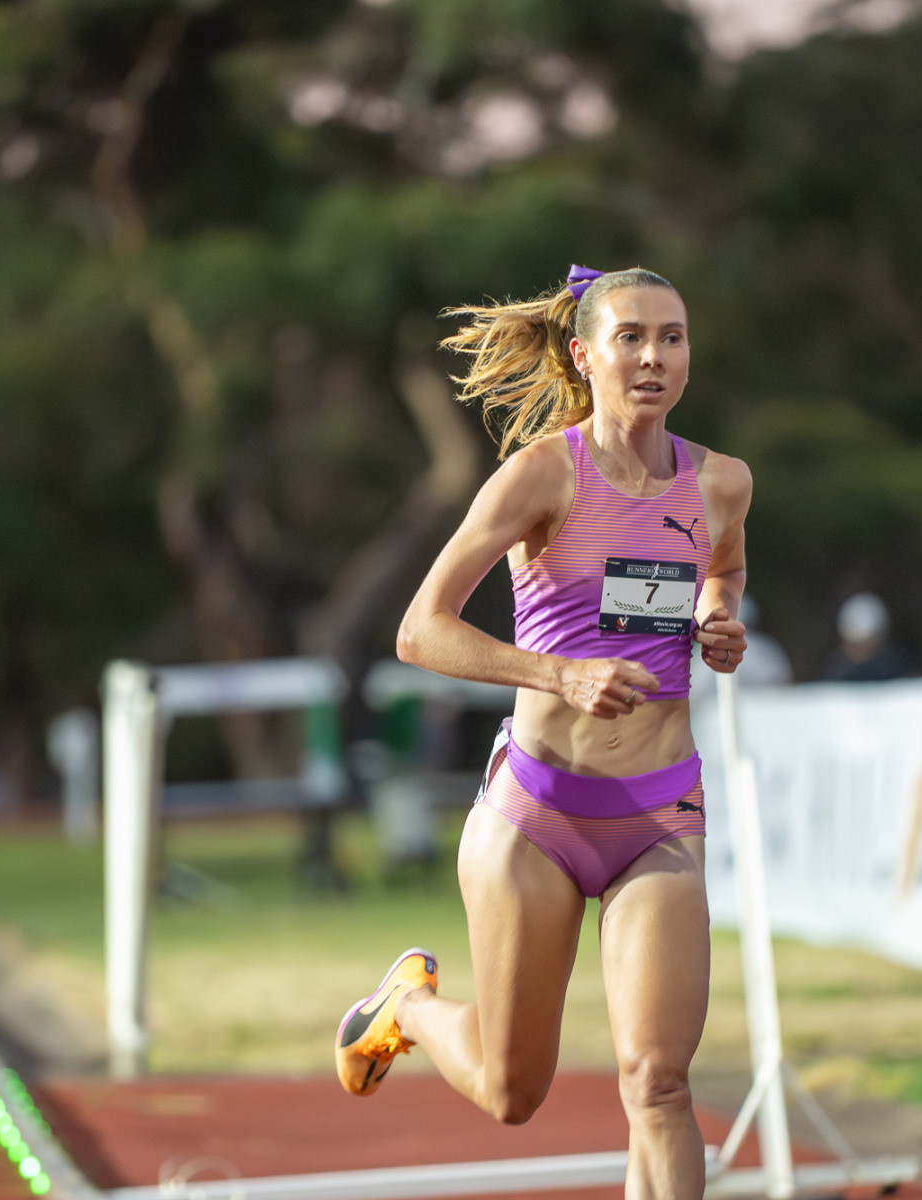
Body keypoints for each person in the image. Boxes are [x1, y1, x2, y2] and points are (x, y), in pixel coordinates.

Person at [334, 266, 751, 1200]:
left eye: (673, 337)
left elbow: (722, 569)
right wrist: (560, 673)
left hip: (661, 818)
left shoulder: (722, 482)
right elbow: (420, 630)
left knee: (659, 1083)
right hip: (537, 817)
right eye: (631, 336)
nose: (654, 356)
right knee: (510, 1092)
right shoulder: (541, 474)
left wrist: (717, 619)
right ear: (585, 354)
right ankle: (407, 1005)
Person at [822, 591, 916, 681]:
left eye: (863, 643)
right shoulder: (836, 671)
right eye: (855, 644)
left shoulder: (896, 665)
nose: (858, 651)